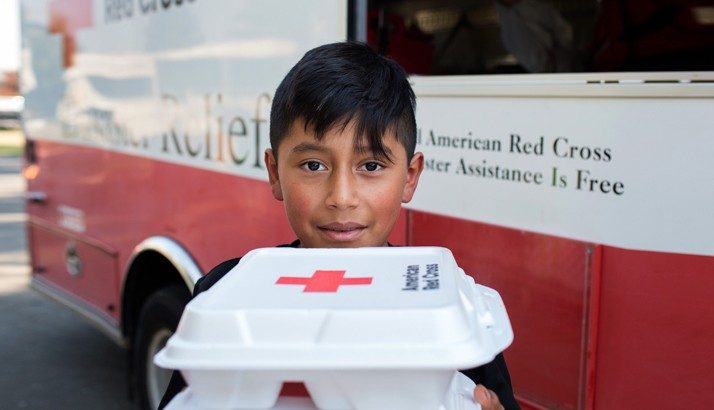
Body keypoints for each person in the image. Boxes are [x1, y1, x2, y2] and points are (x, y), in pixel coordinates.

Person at [159, 41, 519, 410]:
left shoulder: (455, 310)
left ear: (409, 177)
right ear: (275, 173)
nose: (342, 197)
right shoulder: (223, 296)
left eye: (371, 166)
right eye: (314, 165)